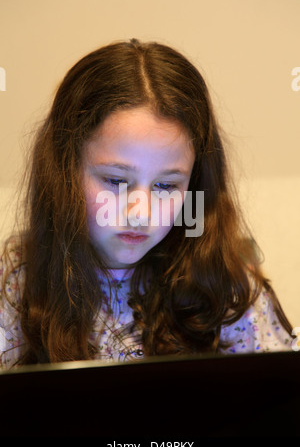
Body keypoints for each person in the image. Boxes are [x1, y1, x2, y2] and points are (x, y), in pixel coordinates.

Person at [0, 38, 293, 369]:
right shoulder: (16, 281)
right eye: (116, 181)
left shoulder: (227, 287)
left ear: (194, 186)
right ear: (63, 172)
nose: (140, 214)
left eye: (166, 185)